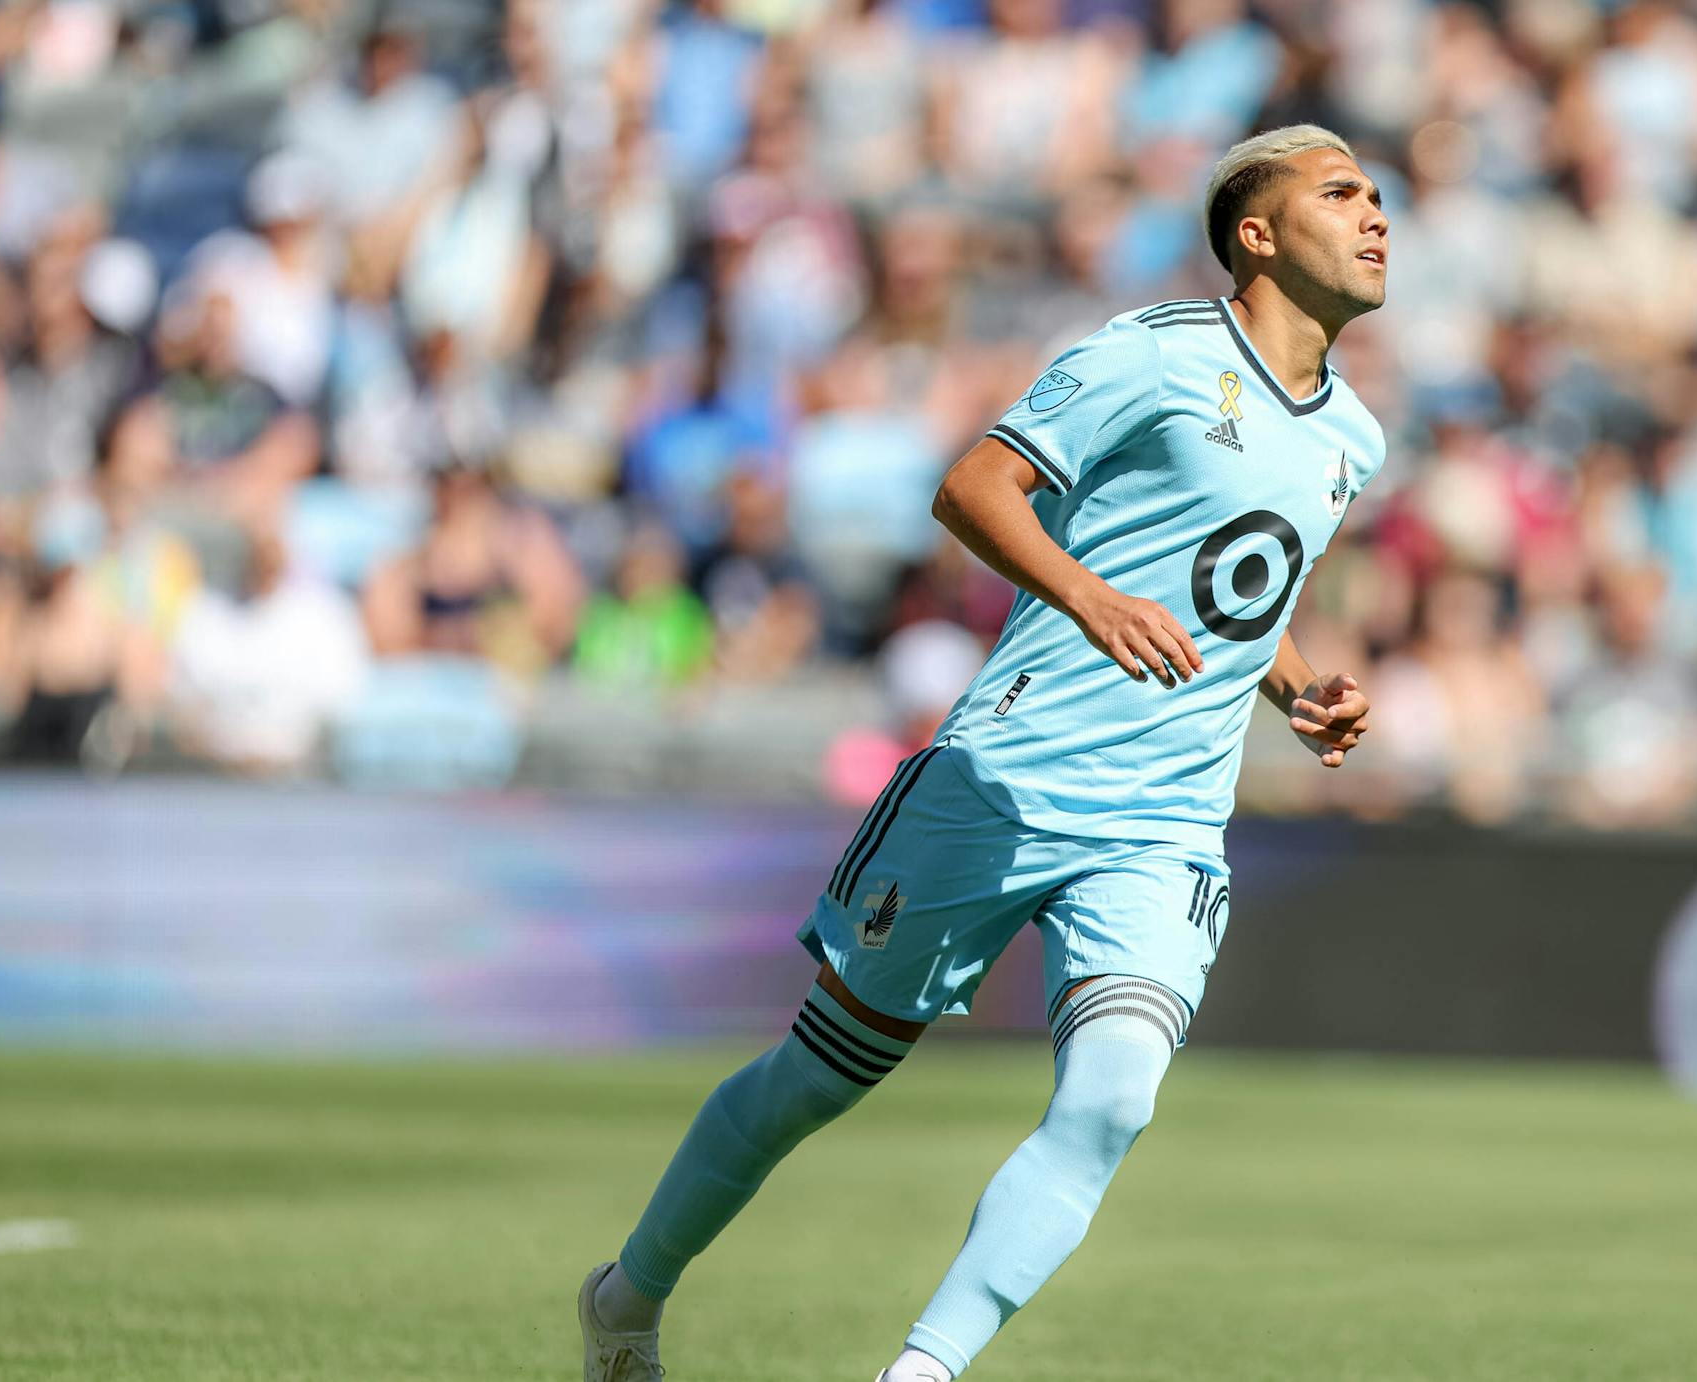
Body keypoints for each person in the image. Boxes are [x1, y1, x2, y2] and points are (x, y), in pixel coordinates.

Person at [577, 125, 1392, 1381]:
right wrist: (1088, 599)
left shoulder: (1354, 439)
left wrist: (1292, 688)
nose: (1376, 214)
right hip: (1005, 778)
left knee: (1114, 1098)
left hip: (1163, 822)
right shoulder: (1151, 357)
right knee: (817, 1077)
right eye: (1342, 193)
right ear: (1259, 232)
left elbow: (1228, 590)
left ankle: (921, 1372)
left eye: (1379, 195)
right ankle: (626, 1298)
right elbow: (972, 488)